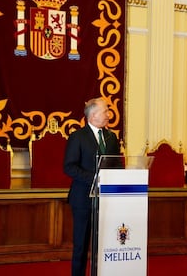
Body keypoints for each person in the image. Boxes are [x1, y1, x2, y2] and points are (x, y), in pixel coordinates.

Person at [64, 97, 121, 276]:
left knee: (104, 244)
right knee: (81, 245)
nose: (109, 114)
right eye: (105, 111)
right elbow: (69, 166)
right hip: (83, 199)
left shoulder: (112, 137)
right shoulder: (77, 137)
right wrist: (96, 178)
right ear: (93, 115)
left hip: (107, 200)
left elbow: (117, 165)